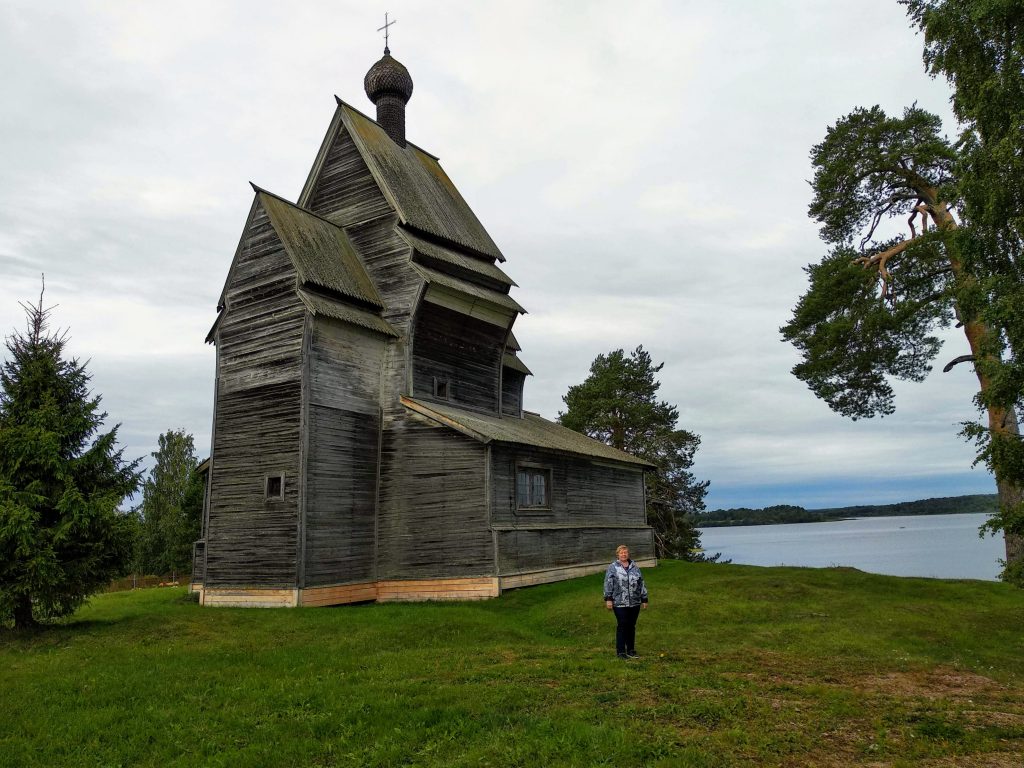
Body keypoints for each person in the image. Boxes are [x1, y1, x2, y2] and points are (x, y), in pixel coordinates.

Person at [603, 544, 648, 658]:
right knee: (622, 625)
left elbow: (641, 583)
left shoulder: (635, 567)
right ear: (618, 554)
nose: (624, 554)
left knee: (631, 626)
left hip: (634, 602)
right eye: (621, 552)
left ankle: (631, 650)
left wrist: (644, 598)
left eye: (625, 552)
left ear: (628, 554)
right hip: (619, 603)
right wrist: (608, 599)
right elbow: (608, 583)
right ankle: (621, 651)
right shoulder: (613, 567)